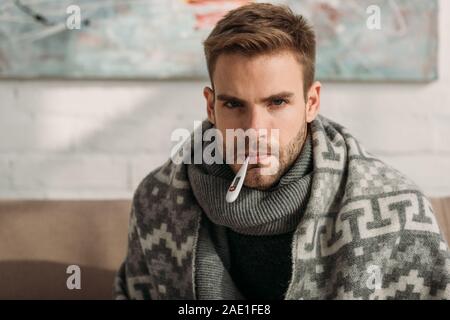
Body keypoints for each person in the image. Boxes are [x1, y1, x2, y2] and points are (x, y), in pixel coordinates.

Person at [114, 3, 449, 300]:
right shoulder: (155, 200)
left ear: (311, 102)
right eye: (233, 104)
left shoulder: (397, 207)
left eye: (277, 102)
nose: (254, 130)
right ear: (211, 107)